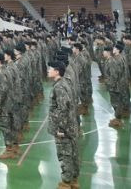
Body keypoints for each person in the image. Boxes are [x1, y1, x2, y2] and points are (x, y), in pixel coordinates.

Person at [48, 60, 80, 188]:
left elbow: (63, 109)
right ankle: (73, 178)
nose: (48, 71)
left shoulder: (59, 87)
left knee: (65, 153)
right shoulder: (64, 83)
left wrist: (60, 128)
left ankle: (66, 182)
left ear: (57, 72)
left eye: (51, 69)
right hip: (69, 125)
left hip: (63, 127)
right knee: (72, 152)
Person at [0, 51, 18, 160]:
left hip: (4, 104)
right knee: (10, 126)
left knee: (5, 127)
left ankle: (9, 150)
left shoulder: (2, 73)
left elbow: (2, 90)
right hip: (9, 102)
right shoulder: (6, 70)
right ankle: (14, 147)